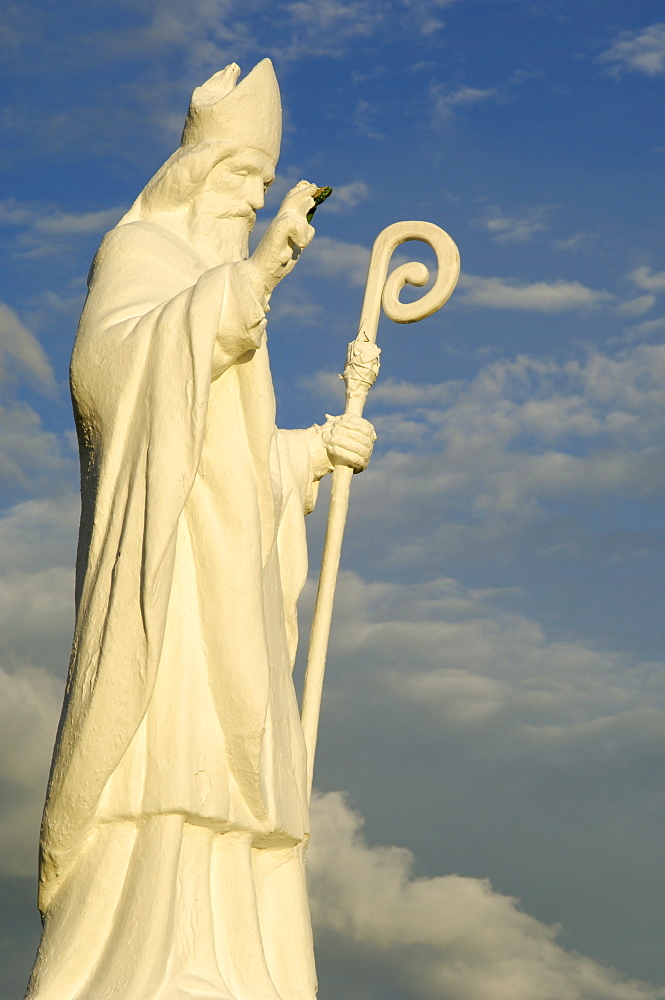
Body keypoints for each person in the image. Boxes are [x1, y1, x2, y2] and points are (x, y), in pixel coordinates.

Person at [26, 59, 375, 1000]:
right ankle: (138, 965)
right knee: (162, 746)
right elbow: (110, 380)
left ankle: (232, 965)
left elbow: (236, 455)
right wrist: (244, 285)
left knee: (233, 762)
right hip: (164, 571)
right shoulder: (140, 255)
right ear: (198, 172)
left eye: (264, 190)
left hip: (230, 576)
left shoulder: (227, 278)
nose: (255, 203)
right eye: (244, 182)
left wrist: (310, 452)